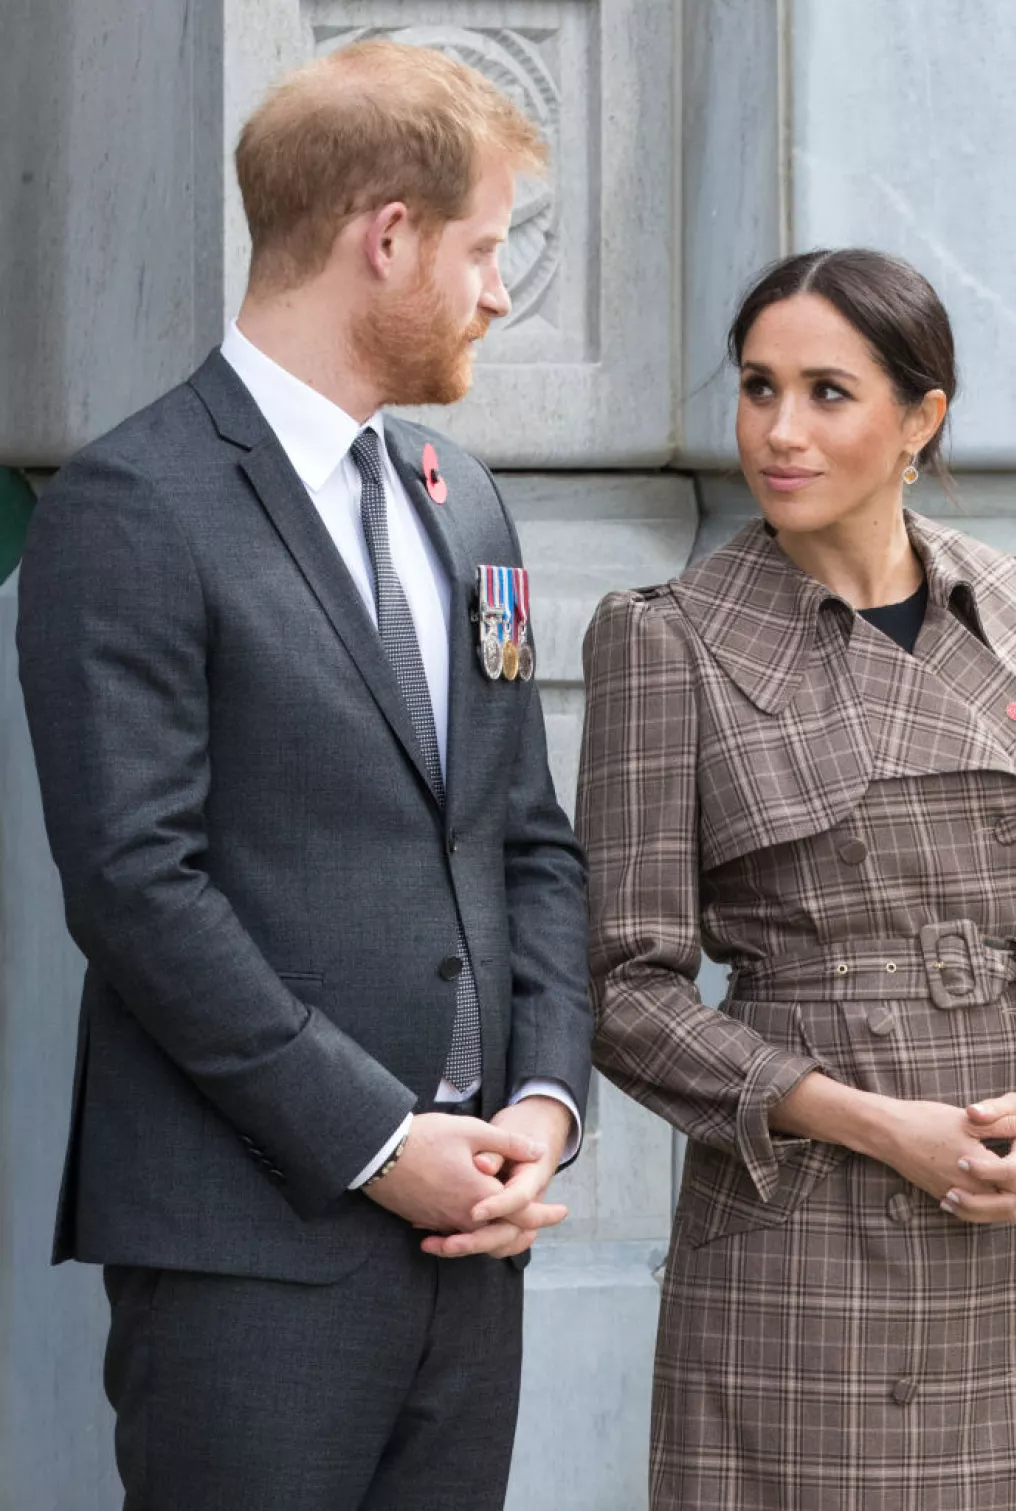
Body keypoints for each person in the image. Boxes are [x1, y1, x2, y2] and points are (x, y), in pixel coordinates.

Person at [18, 40, 591, 1511]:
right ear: (384, 235)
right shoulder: (133, 503)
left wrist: (541, 1102)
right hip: (246, 1246)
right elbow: (138, 887)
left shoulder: (468, 513)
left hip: (474, 1246)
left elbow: (528, 835)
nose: (497, 290)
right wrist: (380, 1139)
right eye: (481, 247)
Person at [577, 247, 1016, 1510]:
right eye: (756, 386)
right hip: (804, 1239)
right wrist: (874, 1123)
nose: (778, 431)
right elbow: (629, 990)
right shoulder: (668, 635)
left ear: (922, 418)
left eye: (828, 392)